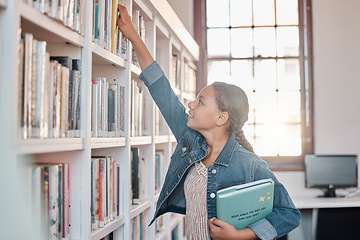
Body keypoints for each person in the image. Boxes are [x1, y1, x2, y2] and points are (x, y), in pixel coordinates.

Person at [117, 5, 301, 240]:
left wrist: (240, 235)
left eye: (201, 102)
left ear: (221, 117)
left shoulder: (251, 165)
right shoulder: (190, 140)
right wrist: (132, 35)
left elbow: (289, 213)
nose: (191, 104)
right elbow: (160, 88)